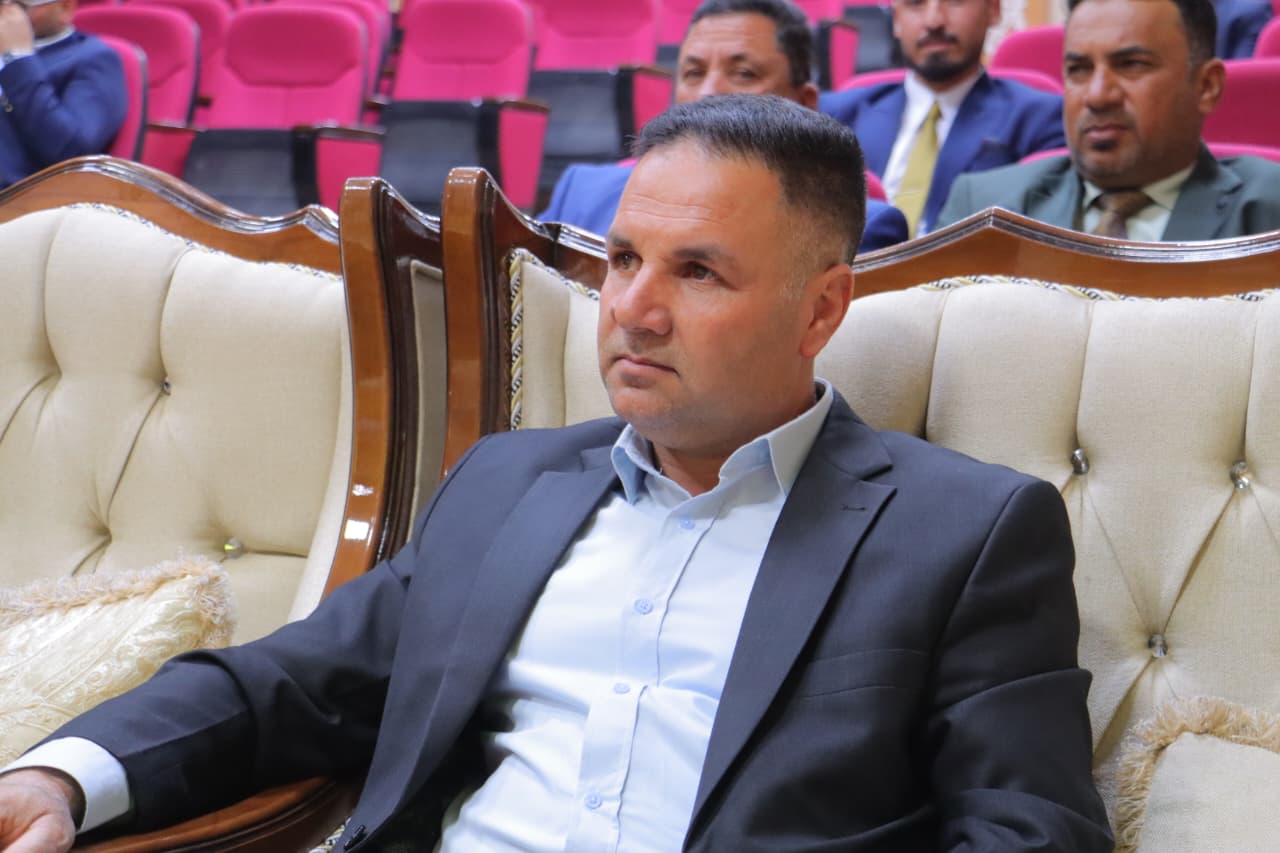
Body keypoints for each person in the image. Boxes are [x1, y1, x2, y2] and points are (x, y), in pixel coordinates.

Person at [0, 94, 1112, 852]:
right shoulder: (508, 484)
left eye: (698, 271)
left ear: (820, 309)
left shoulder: (964, 531)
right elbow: (289, 685)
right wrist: (59, 777)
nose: (633, 308)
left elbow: (1030, 826)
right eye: (623, 258)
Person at [541, 0, 910, 254]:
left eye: (743, 73)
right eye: (693, 72)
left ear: (804, 103)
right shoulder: (582, 193)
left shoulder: (854, 228)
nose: (709, 92)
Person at [937, 0, 1280, 239]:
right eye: (1079, 69)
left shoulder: (1269, 209)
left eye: (1132, 65)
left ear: (1206, 87)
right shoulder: (984, 208)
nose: (1098, 95)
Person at [819, 0, 1065, 237]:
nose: (934, 21)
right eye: (915, 3)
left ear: (993, 9)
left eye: (954, 1)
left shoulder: (1040, 119)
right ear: (896, 19)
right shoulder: (838, 113)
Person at [0, 0, 127, 189]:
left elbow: (69, 152)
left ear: (64, 8)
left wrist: (17, 59)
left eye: (21, 4)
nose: (7, 14)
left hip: (25, 194)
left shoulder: (94, 58)